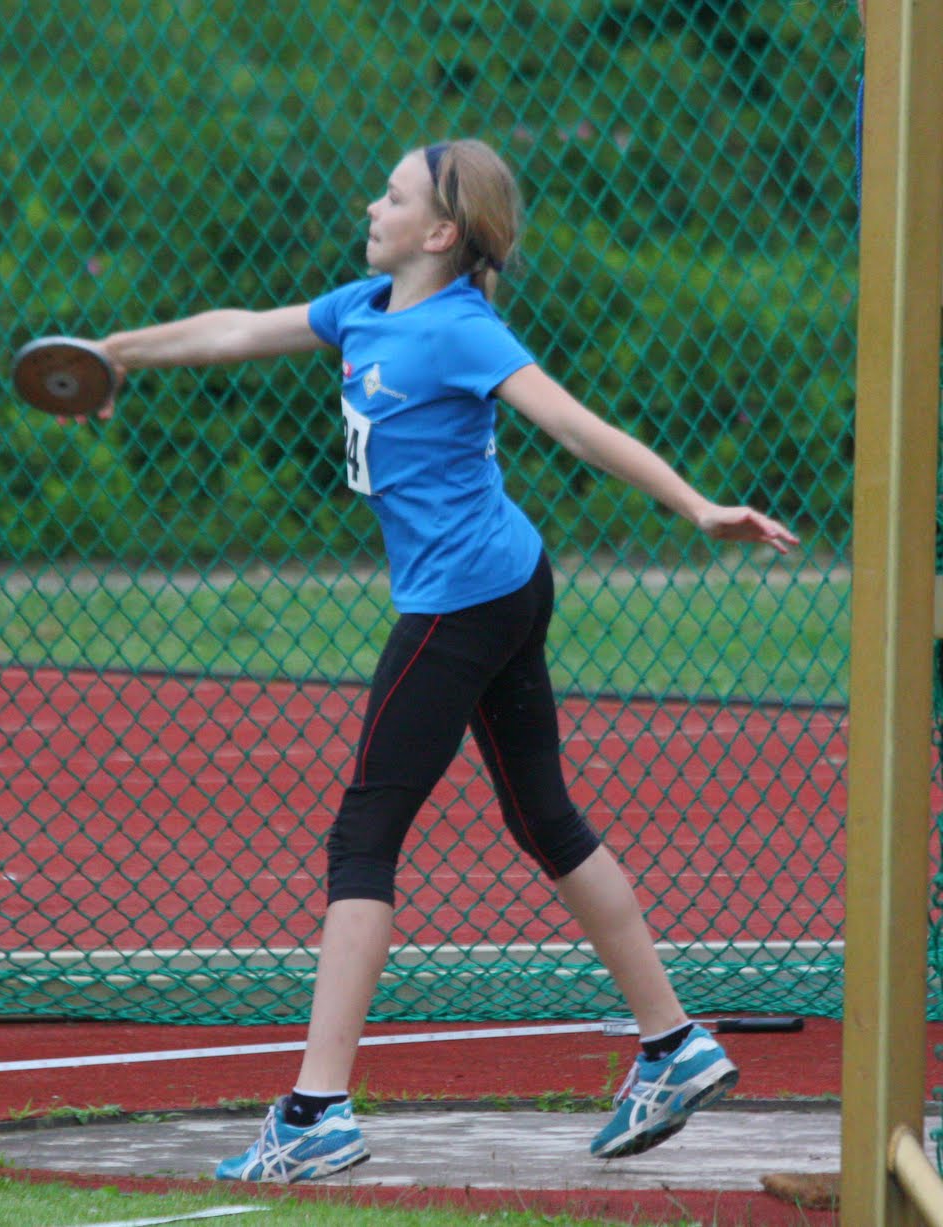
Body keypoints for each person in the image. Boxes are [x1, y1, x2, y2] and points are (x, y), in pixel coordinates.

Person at [82, 138, 799, 1183]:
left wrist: (695, 507)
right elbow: (235, 329)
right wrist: (116, 351)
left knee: (363, 835)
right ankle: (673, 1044)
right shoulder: (364, 308)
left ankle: (315, 1112)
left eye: (394, 196)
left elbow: (575, 426)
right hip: (503, 578)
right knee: (543, 817)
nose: (372, 206)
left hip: (463, 603)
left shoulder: (462, 328)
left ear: (442, 232)